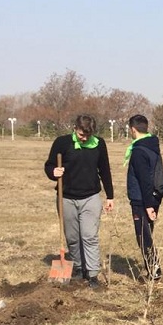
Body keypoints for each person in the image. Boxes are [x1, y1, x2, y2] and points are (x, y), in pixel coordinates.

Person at [44, 114, 114, 288]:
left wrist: (110, 196)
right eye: (82, 135)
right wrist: (54, 172)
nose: (84, 138)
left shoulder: (99, 144)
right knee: (73, 238)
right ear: (75, 128)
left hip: (91, 197)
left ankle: (92, 275)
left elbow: (105, 170)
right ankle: (78, 268)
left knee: (89, 236)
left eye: (88, 135)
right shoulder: (62, 142)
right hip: (66, 197)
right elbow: (49, 165)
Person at [124, 114, 163, 280]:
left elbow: (144, 179)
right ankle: (152, 268)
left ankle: (154, 269)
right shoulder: (152, 145)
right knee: (147, 232)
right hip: (152, 197)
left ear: (133, 129)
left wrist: (147, 205)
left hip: (142, 200)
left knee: (143, 234)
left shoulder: (139, 151)